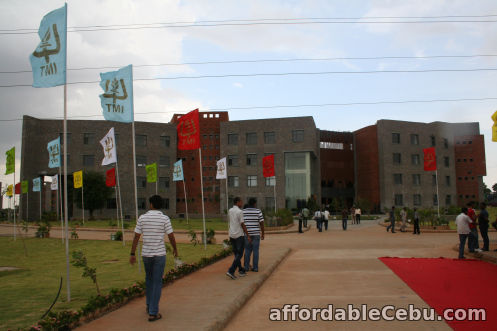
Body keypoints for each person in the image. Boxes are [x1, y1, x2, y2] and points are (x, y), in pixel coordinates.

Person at [130, 195, 178, 322]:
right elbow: (171, 236)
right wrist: (175, 249)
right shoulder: (164, 218)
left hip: (146, 255)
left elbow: (136, 237)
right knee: (157, 282)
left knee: (149, 280)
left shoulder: (142, 218)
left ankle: (149, 305)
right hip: (159, 255)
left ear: (151, 204)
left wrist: (132, 253)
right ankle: (153, 312)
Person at [226, 197, 251, 279]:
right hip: (239, 235)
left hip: (231, 234)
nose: (242, 203)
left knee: (236, 254)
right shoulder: (240, 212)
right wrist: (248, 235)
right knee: (239, 254)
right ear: (237, 202)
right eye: (241, 202)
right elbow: (242, 224)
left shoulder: (230, 210)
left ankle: (241, 270)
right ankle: (231, 270)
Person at [243, 198, 265, 272]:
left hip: (247, 234)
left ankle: (246, 267)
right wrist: (263, 234)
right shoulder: (258, 211)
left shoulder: (243, 211)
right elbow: (262, 223)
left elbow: (242, 223)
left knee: (247, 250)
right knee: (256, 251)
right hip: (256, 234)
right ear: (254, 203)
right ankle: (255, 268)